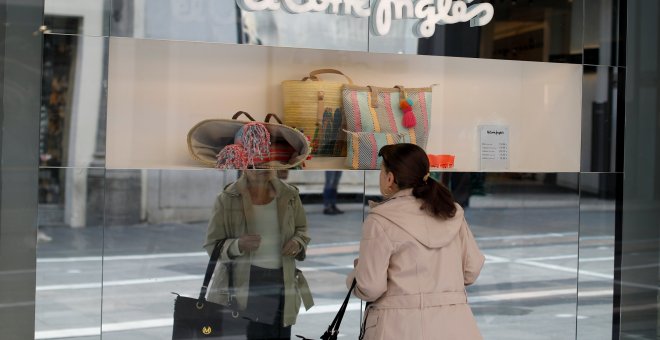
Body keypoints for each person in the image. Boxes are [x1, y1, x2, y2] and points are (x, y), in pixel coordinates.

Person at [347, 143, 485, 340]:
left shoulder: (380, 220)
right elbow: (472, 270)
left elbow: (370, 287)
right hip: (457, 326)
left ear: (390, 178)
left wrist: (355, 275)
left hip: (398, 328)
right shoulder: (450, 212)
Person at [204, 169, 314, 340]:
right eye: (256, 164)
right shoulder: (228, 198)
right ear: (244, 165)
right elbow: (212, 244)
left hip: (283, 282)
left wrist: (297, 242)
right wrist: (237, 244)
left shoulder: (289, 194)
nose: (262, 168)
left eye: (267, 162)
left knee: (280, 335)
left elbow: (302, 229)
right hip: (247, 284)